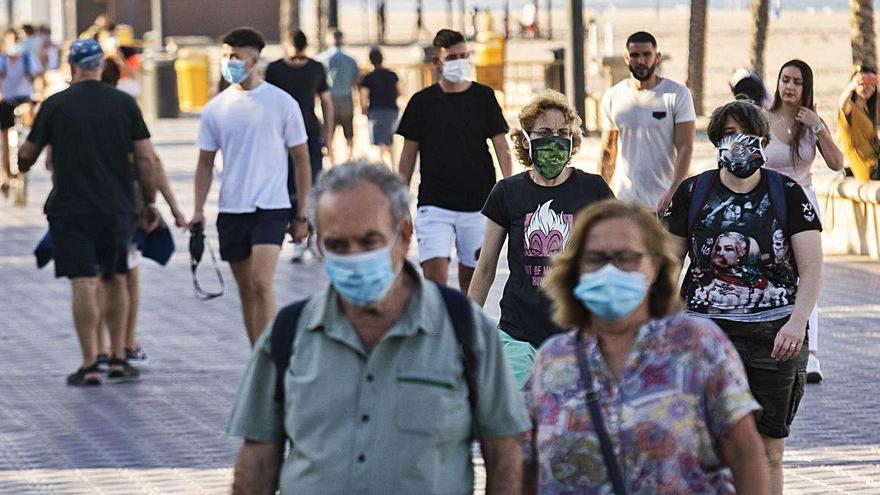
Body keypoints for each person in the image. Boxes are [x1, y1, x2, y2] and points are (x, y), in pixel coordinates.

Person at [228, 162, 528, 494]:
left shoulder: (465, 331)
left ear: (403, 234)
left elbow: (505, 454)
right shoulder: (289, 334)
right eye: (338, 245)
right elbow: (257, 462)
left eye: (369, 242)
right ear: (320, 247)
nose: (354, 257)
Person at [525, 199, 768, 493]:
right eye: (595, 259)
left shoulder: (696, 345)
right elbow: (526, 463)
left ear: (654, 266)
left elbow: (745, 452)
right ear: (575, 269)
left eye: (626, 257)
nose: (610, 271)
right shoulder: (553, 359)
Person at [663, 99, 823, 495]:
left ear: (764, 142)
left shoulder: (787, 193)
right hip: (705, 338)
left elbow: (812, 269)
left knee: (768, 451)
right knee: (706, 449)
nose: (738, 144)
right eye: (729, 135)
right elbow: (665, 267)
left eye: (747, 135)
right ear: (716, 141)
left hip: (775, 340)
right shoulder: (693, 192)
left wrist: (797, 324)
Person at [16, 38, 160, 385]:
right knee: (116, 278)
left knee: (84, 281)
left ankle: (90, 363)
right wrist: (150, 201)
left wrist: (23, 158)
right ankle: (116, 356)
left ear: (72, 67)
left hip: (70, 208)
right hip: (118, 208)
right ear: (99, 66)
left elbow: (26, 157)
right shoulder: (124, 103)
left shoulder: (55, 105)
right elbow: (145, 157)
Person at [467, 90, 613, 386]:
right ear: (525, 139)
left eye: (562, 132)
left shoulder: (593, 189)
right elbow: (485, 269)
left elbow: (621, 256)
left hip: (576, 333)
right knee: (518, 415)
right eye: (544, 132)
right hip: (518, 330)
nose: (554, 140)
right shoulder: (507, 193)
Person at [191, 28, 311, 346]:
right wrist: (197, 209)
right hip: (232, 208)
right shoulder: (216, 108)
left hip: (271, 207)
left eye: (235, 56)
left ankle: (272, 355)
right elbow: (204, 163)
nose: (228, 62)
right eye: (225, 56)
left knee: (261, 283)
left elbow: (301, 160)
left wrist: (302, 214)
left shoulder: (282, 103)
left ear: (253, 60)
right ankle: (258, 353)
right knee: (246, 291)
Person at [397, 29, 512, 294]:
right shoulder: (421, 102)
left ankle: (466, 332)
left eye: (464, 55)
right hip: (434, 203)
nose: (459, 62)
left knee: (470, 283)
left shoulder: (484, 97)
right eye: (451, 57)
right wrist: (400, 203)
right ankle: (439, 330)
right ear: (437, 62)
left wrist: (510, 189)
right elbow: (407, 157)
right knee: (434, 277)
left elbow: (501, 145)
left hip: (478, 205)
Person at [766, 59, 844, 383]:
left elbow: (837, 162)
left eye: (797, 81)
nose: (789, 86)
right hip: (769, 205)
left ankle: (812, 355)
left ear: (806, 87)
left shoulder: (812, 123)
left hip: (802, 209)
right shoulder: (763, 119)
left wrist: (818, 126)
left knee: (808, 278)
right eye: (785, 79)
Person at [599, 30, 695, 212]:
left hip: (664, 201)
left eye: (646, 54)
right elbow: (608, 149)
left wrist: (674, 191)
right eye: (635, 55)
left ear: (657, 56)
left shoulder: (677, 94)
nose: (641, 61)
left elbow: (686, 146)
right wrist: (601, 194)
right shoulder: (613, 96)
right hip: (624, 201)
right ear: (626, 58)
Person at [265, 29, 333, 262]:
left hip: (298, 136)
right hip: (302, 134)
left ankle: (306, 237)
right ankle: (302, 236)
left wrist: (328, 136)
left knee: (300, 187)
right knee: (306, 186)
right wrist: (329, 136)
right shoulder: (314, 68)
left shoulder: (275, 68)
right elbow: (327, 103)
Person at [0, 28, 42, 197]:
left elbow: (38, 76)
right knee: (4, 138)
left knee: (31, 122)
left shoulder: (27, 58)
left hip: (24, 97)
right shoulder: (2, 60)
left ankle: (29, 148)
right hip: (6, 99)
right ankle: (5, 173)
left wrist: (38, 92)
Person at [318, 31, 360, 162]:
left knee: (329, 131)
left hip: (329, 100)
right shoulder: (351, 60)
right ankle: (350, 157)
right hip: (346, 99)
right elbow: (356, 81)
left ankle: (331, 160)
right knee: (349, 132)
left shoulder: (321, 59)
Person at [359, 46, 400, 168]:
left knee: (379, 140)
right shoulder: (392, 75)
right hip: (392, 109)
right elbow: (400, 91)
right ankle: (393, 165)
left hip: (375, 110)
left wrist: (363, 108)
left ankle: (383, 165)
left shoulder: (368, 78)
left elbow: (364, 96)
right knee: (390, 138)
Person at [838, 66, 878, 183]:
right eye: (863, 83)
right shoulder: (850, 109)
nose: (868, 87)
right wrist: (852, 85)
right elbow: (842, 104)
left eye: (872, 83)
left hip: (874, 165)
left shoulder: (868, 111)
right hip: (865, 169)